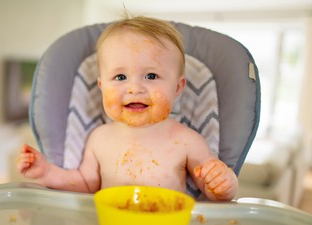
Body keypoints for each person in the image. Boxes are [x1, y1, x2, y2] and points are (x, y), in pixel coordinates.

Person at [17, 15, 238, 201]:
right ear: (102, 87)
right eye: (120, 76)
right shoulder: (99, 138)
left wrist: (224, 183)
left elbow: (212, 192)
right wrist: (47, 172)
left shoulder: (188, 141)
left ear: (177, 87)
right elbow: (85, 184)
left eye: (151, 75)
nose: (134, 88)